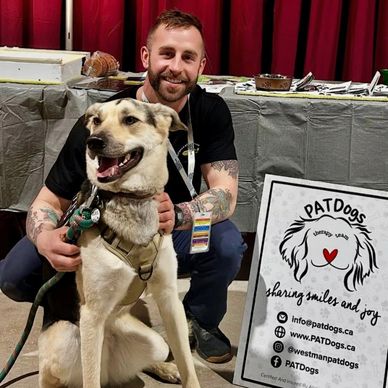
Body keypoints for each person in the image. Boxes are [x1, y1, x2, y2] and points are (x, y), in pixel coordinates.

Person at [0, 9, 246, 363]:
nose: (176, 66)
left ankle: (200, 319)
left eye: (188, 57)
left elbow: (226, 193)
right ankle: (83, 314)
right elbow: (49, 200)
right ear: (146, 57)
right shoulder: (105, 116)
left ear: (201, 65)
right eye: (167, 53)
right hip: (106, 231)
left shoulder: (210, 111)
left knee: (225, 242)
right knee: (14, 274)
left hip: (166, 230)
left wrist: (178, 214)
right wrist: (45, 237)